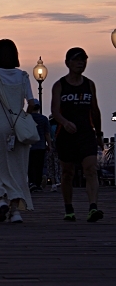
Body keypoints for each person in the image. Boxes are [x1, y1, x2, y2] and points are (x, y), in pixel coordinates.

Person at [0, 39, 35, 223]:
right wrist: (24, 116)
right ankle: (15, 211)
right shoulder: (23, 76)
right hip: (18, 128)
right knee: (17, 168)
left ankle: (1, 198)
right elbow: (32, 103)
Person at [51, 47, 104, 222]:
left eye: (83, 60)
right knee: (68, 173)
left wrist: (99, 134)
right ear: (68, 63)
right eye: (77, 60)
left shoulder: (89, 84)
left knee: (91, 169)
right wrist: (65, 122)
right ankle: (69, 208)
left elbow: (95, 110)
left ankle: (93, 207)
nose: (81, 63)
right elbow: (55, 111)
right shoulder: (60, 85)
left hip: (86, 133)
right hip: (66, 135)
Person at [27, 100, 49, 192]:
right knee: (39, 165)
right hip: (41, 145)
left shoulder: (27, 118)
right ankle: (38, 183)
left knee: (30, 165)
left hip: (29, 145)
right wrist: (50, 145)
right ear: (39, 107)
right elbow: (47, 133)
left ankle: (31, 182)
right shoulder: (44, 119)